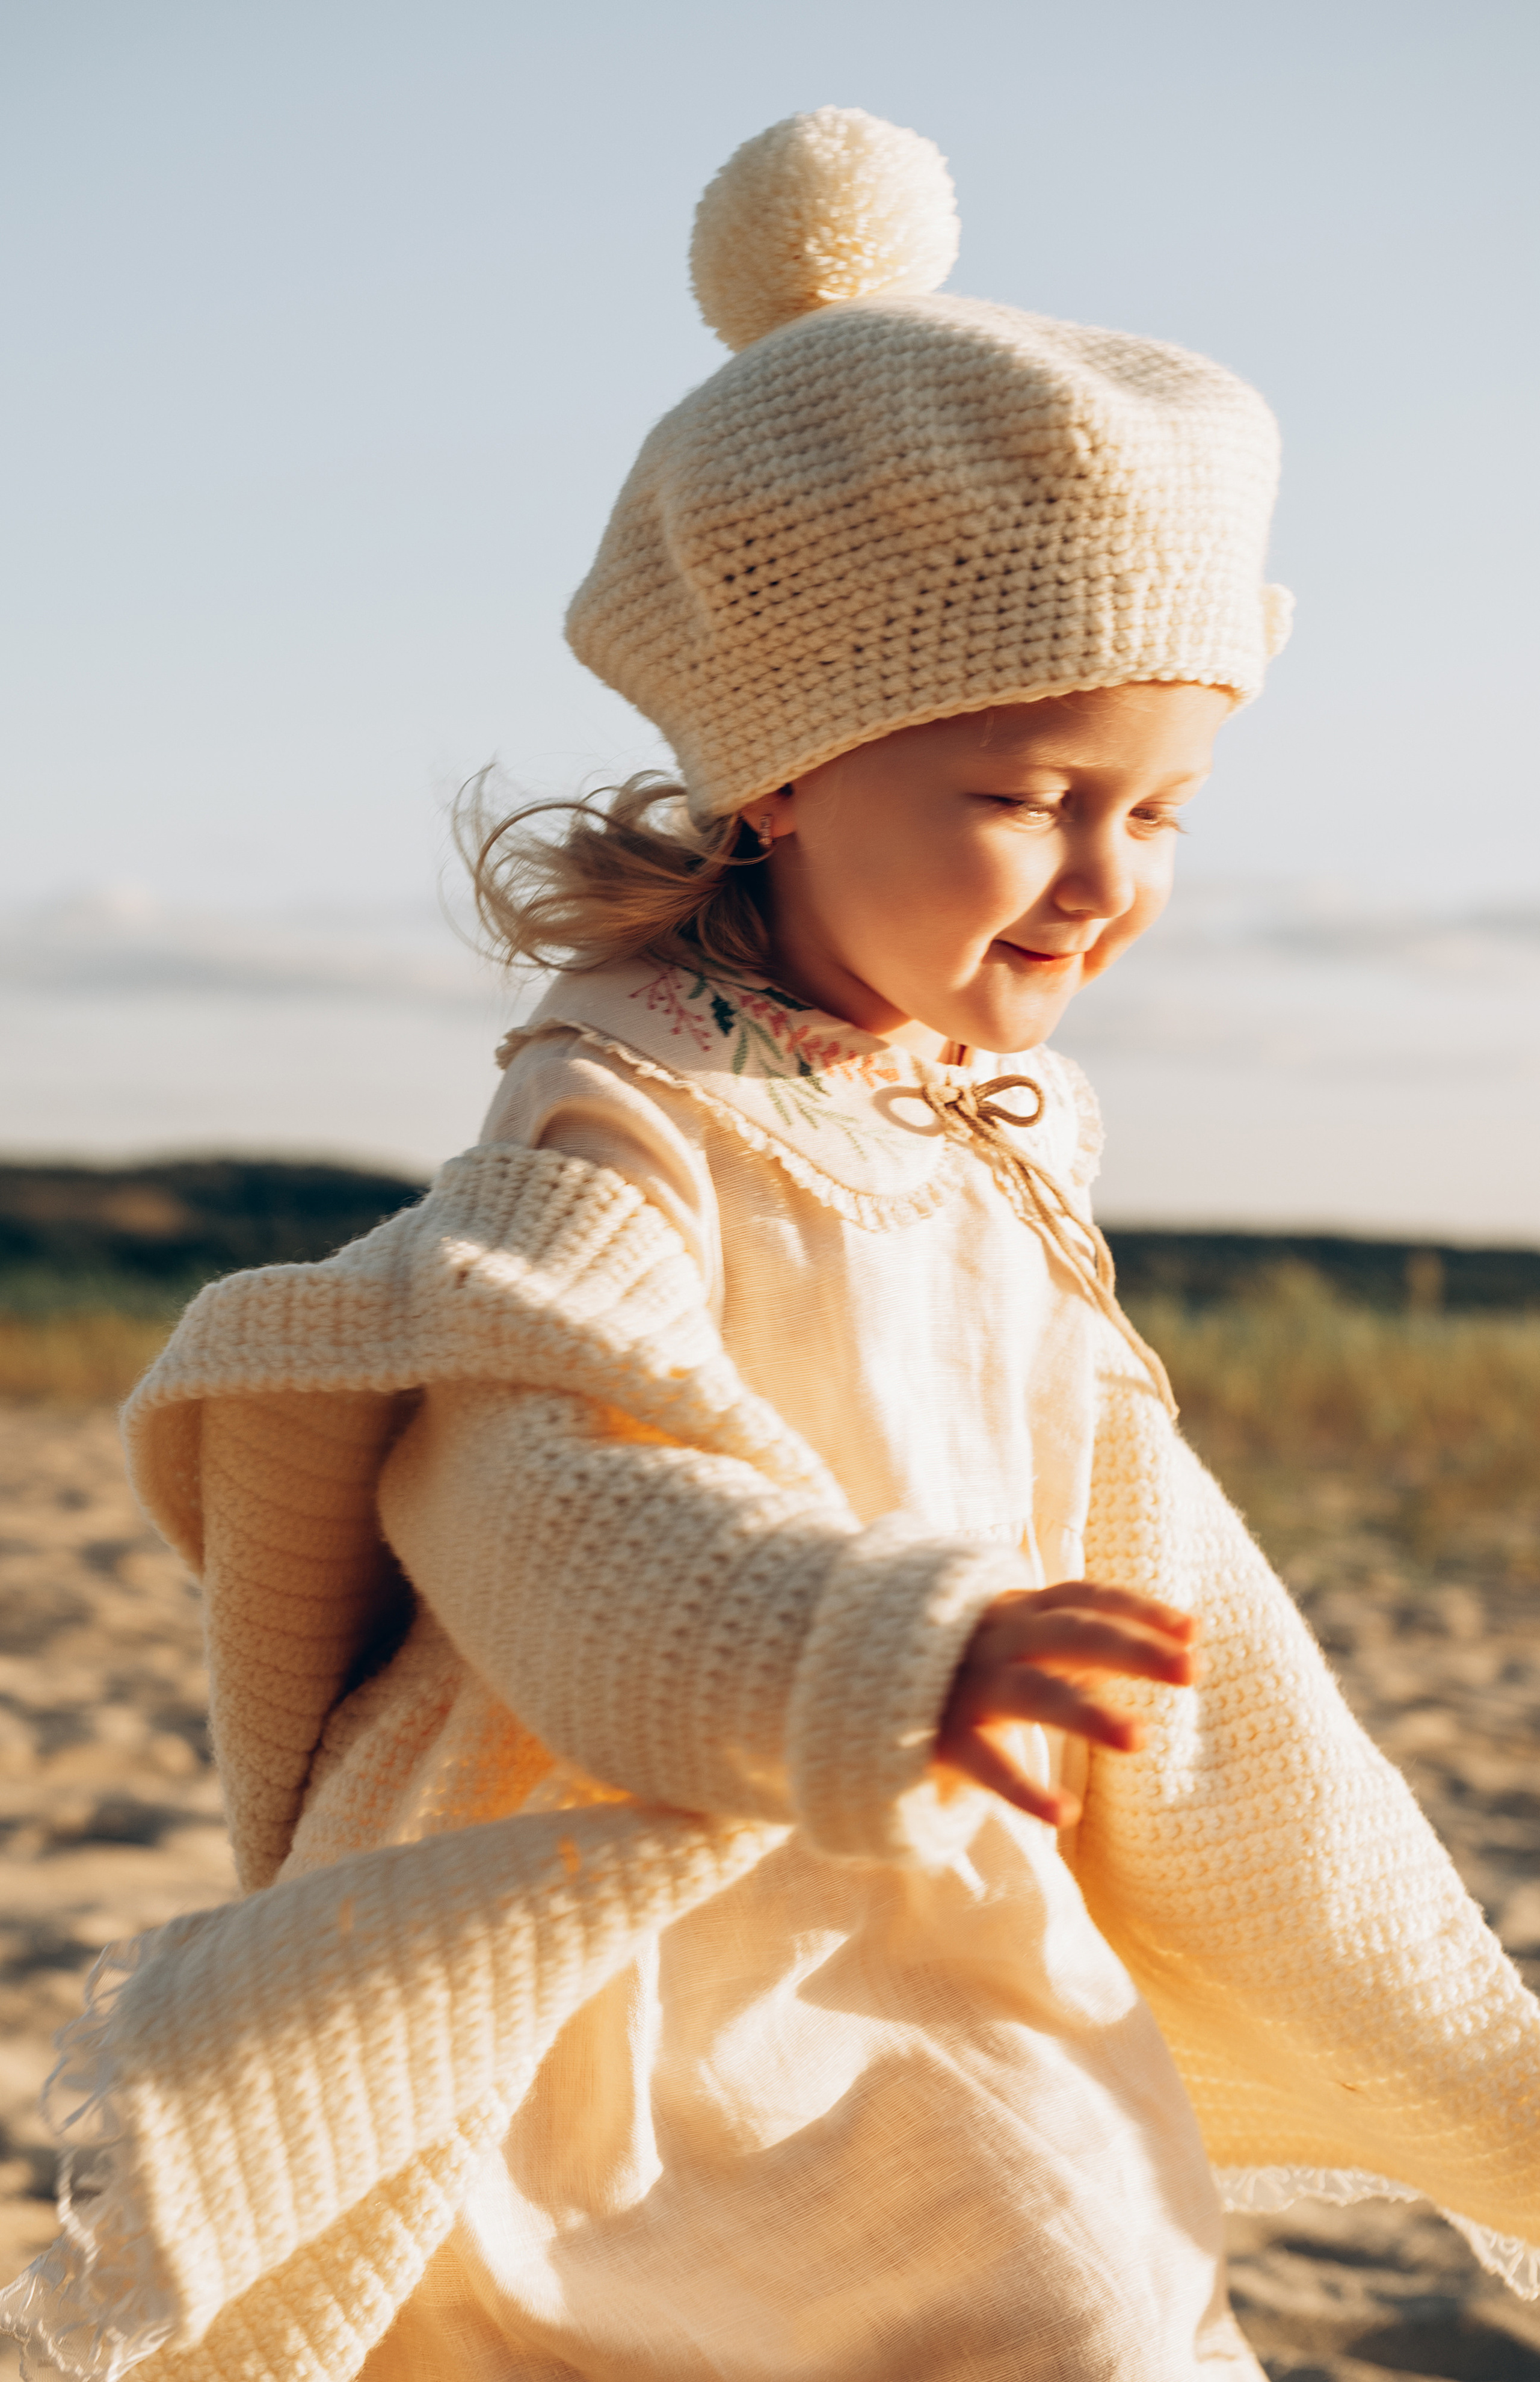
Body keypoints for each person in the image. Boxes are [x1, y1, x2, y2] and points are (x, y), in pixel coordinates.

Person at [5, 105, 1537, 2382]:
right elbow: (533, 1493)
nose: (1106, 874)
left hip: (944, 1890)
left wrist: (1429, 2007)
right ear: (787, 769)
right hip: (643, 1913)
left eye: (1163, 810)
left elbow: (1158, 1551)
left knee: (1104, 2281)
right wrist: (884, 1646)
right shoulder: (628, 1110)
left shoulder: (991, 1127)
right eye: (1026, 795)